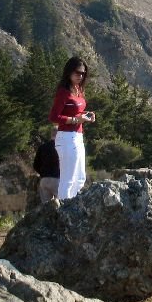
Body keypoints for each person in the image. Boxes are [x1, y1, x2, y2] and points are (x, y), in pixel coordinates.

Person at [48, 56, 95, 199]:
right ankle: (64, 213)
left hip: (78, 137)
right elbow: (53, 117)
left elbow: (75, 111)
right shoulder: (63, 91)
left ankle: (73, 212)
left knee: (80, 178)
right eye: (77, 72)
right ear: (69, 72)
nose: (80, 76)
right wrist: (75, 119)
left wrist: (86, 115)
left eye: (83, 73)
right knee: (68, 180)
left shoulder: (78, 90)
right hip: (66, 138)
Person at [33, 128, 60, 203]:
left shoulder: (42, 147)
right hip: (58, 179)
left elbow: (35, 165)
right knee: (62, 206)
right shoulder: (62, 147)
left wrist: (42, 173)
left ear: (51, 134)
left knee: (46, 207)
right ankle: (57, 203)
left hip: (44, 180)